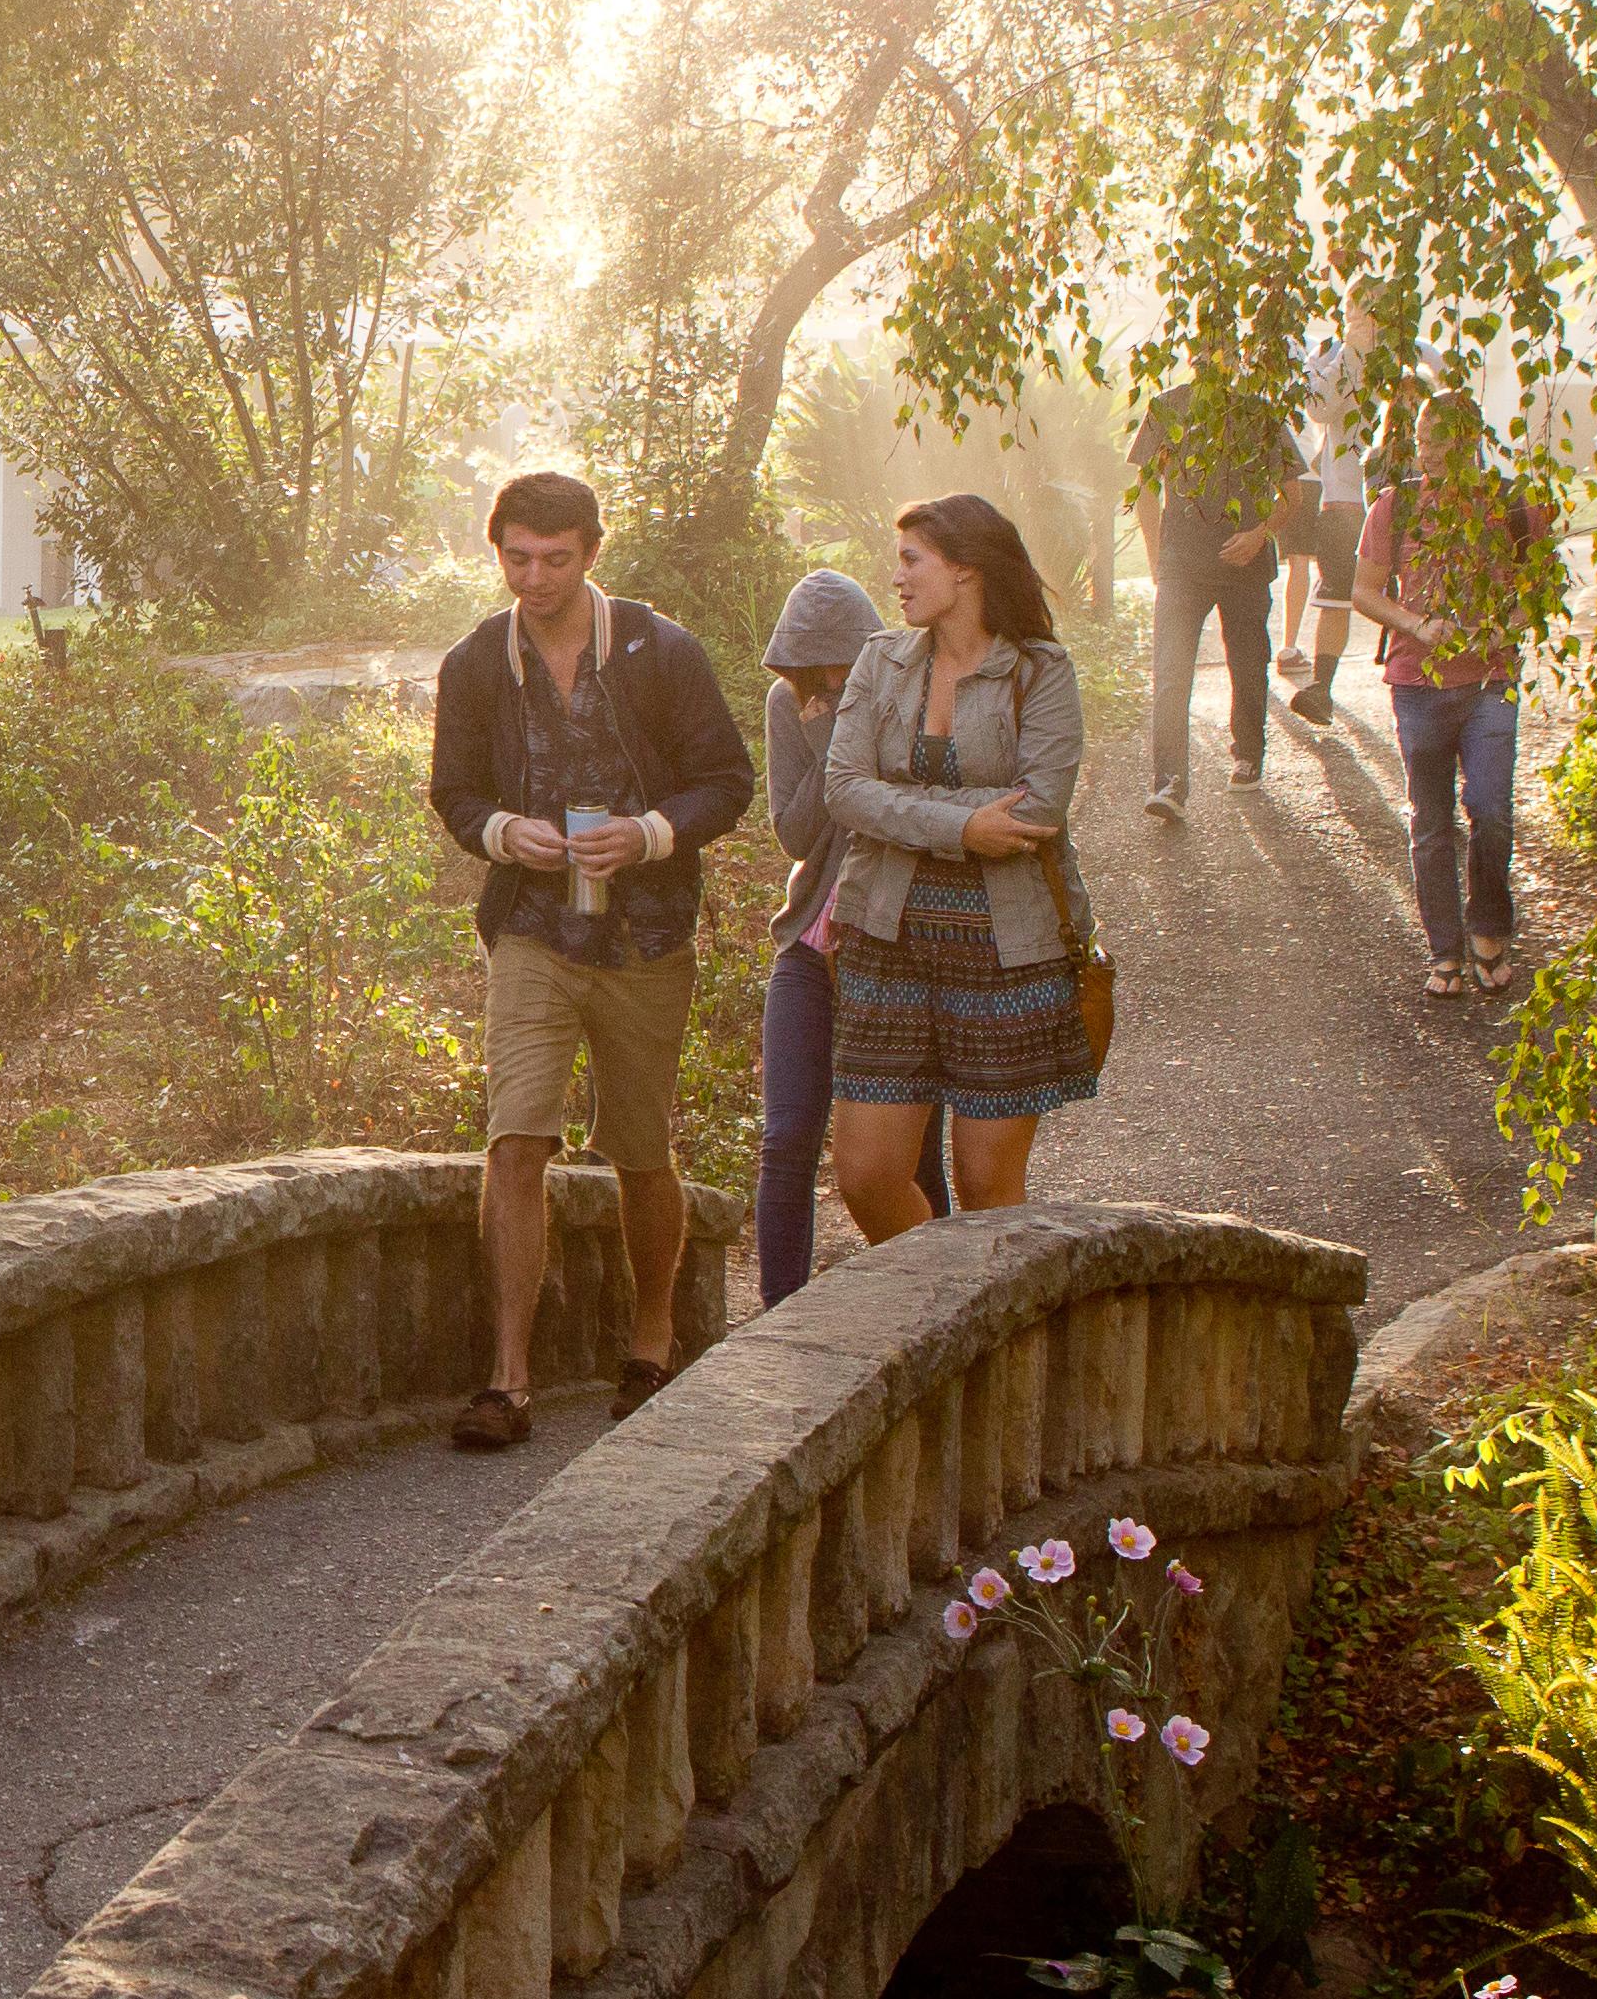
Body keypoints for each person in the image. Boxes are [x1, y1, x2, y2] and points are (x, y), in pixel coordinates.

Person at [423, 471, 753, 1447]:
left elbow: (726, 779)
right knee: (515, 1137)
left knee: (639, 1150)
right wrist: (497, 833)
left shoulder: (659, 650)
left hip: (645, 937)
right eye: (516, 557)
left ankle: (650, 1342)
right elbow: (452, 789)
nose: (533, 576)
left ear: (591, 552)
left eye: (554, 558)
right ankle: (507, 1380)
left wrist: (648, 833)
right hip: (531, 930)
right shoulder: (479, 661)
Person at [826, 493, 1100, 1238]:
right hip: (888, 940)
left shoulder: (1040, 670)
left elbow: (1039, 807)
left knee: (985, 1182)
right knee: (868, 1172)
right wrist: (962, 824)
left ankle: (1002, 1346)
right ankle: (935, 1310)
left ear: (967, 568)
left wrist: (906, 806)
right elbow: (844, 787)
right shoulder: (880, 660)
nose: (898, 577)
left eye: (913, 559)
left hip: (1007, 950)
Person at [758, 569, 947, 1303]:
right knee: (786, 1140)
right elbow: (797, 832)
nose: (832, 678)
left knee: (914, 1155)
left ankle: (939, 1310)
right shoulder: (788, 704)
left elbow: (898, 812)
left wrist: (842, 728)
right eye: (816, 666)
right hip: (810, 938)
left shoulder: (912, 694)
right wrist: (821, 725)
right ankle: (778, 1320)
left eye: (845, 662)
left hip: (895, 947)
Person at [1344, 397, 1550, 999]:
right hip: (1418, 685)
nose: (1428, 450)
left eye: (1440, 439)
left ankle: (1489, 926)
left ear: (1472, 441)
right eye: (1421, 439)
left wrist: (1500, 629)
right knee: (1430, 823)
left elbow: (1537, 590)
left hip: (1491, 679)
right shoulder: (1395, 505)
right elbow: (1363, 592)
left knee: (1490, 810)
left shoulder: (1515, 505)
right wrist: (1414, 623)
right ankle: (1444, 953)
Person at [1129, 371, 1302, 819]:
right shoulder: (1167, 406)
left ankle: (1248, 753)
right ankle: (1169, 780)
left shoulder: (1260, 411)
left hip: (1245, 563)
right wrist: (1155, 557)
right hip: (1182, 566)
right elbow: (1145, 488)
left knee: (1247, 664)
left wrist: (1260, 534)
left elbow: (1292, 493)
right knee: (1170, 671)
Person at [1273, 315, 1371, 727]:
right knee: (1336, 593)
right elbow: (1317, 408)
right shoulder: (1327, 356)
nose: (1366, 320)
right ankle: (1322, 688)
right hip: (1343, 496)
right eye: (1357, 311)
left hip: (1400, 489)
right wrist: (1349, 354)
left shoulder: (1411, 351)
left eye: (1374, 310)